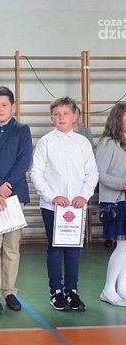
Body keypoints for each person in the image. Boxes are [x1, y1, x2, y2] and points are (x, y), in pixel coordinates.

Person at [31, 97, 98, 311]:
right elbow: (36, 173)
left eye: (66, 114)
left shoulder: (82, 143)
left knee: (73, 249)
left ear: (74, 116)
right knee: (55, 248)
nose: (61, 118)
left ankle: (72, 291)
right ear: (52, 118)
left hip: (76, 207)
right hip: (52, 207)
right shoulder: (45, 142)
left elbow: (92, 173)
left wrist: (84, 196)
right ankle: (56, 292)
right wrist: (53, 196)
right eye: (57, 114)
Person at [0, 86, 33, 314]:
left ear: (13, 106)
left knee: (11, 247)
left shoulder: (22, 130)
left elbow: (24, 161)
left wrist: (6, 187)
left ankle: (10, 291)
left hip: (13, 196)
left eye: (4, 105)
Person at [95, 102, 126, 306]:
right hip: (114, 202)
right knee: (122, 246)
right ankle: (108, 288)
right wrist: (122, 184)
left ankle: (122, 287)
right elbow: (100, 174)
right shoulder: (108, 143)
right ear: (118, 118)